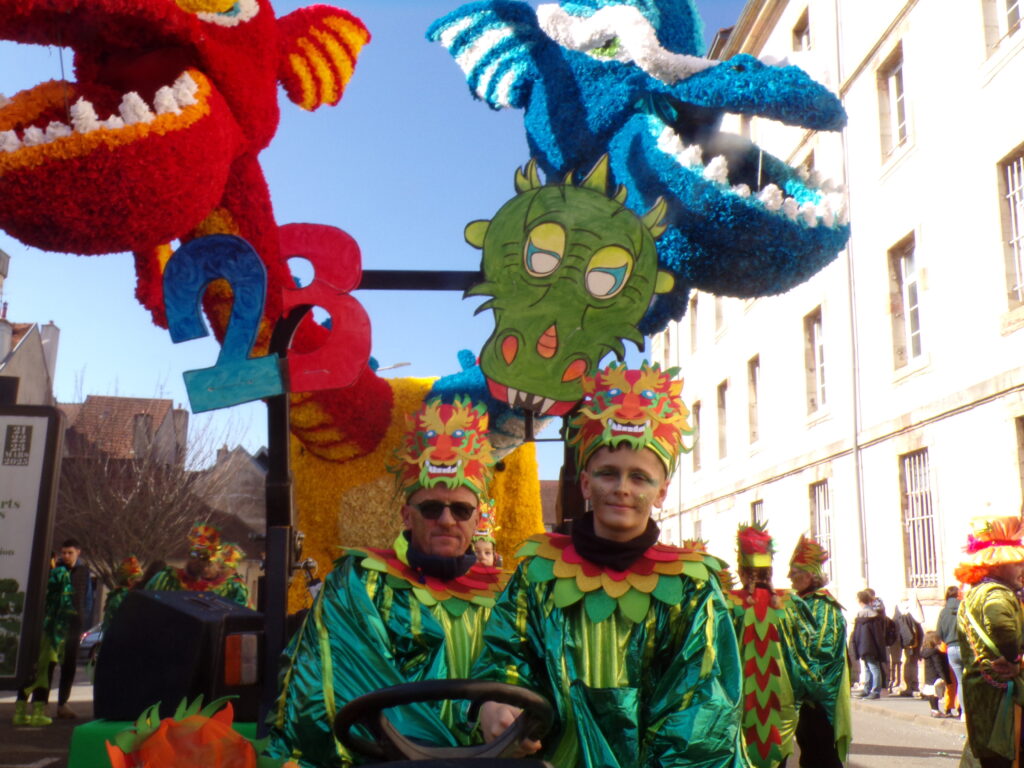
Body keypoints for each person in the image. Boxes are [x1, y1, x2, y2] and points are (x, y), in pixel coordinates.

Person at [473, 361, 744, 768]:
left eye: (640, 478)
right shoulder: (538, 573)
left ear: (661, 492)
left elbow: (703, 709)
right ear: (585, 483)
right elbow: (504, 655)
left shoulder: (691, 586)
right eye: (607, 474)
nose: (621, 488)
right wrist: (493, 703)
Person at [265, 396, 505, 767]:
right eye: (430, 508)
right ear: (406, 516)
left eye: (460, 509)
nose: (446, 520)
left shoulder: (503, 598)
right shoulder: (360, 583)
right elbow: (337, 692)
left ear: (477, 520)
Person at [724, 524, 815, 768]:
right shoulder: (791, 604)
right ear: (770, 571)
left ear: (741, 572)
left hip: (740, 700)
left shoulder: (729, 604)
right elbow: (807, 652)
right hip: (782, 701)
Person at [954, 515, 1024, 768]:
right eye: (1014, 562)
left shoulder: (973, 593)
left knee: (988, 756)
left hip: (980, 686)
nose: (1021, 567)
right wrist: (1014, 659)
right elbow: (1000, 624)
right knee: (1005, 754)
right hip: (1002, 692)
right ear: (994, 565)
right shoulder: (997, 594)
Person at [788, 535, 851, 767]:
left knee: (822, 755)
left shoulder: (823, 606)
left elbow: (821, 652)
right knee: (808, 752)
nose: (790, 578)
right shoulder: (801, 602)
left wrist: (806, 685)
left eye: (795, 573)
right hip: (805, 697)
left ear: (810, 575)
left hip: (820, 697)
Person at [12, 564, 74, 726]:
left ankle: (20, 711)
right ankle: (38, 712)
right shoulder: (59, 586)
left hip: (32, 633)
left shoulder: (33, 583)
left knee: (29, 671)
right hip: (49, 635)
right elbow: (65, 608)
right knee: (45, 672)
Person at [145, 523, 249, 606]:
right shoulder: (167, 579)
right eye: (193, 554)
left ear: (211, 559)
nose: (196, 560)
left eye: (203, 556)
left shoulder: (229, 589)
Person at [53, 538, 92, 719]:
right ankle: (41, 703)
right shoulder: (56, 570)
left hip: (75, 621)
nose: (66, 556)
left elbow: (87, 596)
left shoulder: (84, 571)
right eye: (64, 552)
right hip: (55, 622)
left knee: (69, 664)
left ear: (78, 552)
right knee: (49, 662)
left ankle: (63, 703)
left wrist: (84, 618)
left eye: (70, 553)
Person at [851, 589, 887, 700]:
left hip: (865, 645)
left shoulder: (864, 616)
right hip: (870, 645)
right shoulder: (874, 615)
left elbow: (857, 633)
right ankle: (868, 689)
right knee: (868, 667)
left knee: (872, 667)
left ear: (860, 600)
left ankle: (875, 690)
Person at [937, 585, 963, 717]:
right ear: (958, 595)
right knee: (966, 680)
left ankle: (950, 706)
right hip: (965, 646)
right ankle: (963, 710)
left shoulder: (943, 611)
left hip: (950, 648)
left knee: (955, 680)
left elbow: (939, 633)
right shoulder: (964, 607)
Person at [101, 555, 144, 632]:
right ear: (129, 581)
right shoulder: (122, 598)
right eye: (138, 579)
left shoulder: (116, 597)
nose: (141, 582)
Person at [893, 595, 924, 696]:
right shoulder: (913, 608)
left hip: (906, 639)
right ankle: (912, 685)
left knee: (909, 661)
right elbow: (920, 621)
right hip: (914, 638)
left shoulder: (899, 609)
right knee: (911, 661)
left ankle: (910, 685)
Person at [920, 630, 952, 718]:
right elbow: (938, 665)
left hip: (929, 675)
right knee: (936, 694)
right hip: (935, 675)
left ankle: (934, 710)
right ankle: (936, 710)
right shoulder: (935, 652)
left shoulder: (925, 651)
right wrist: (943, 677)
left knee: (931, 693)